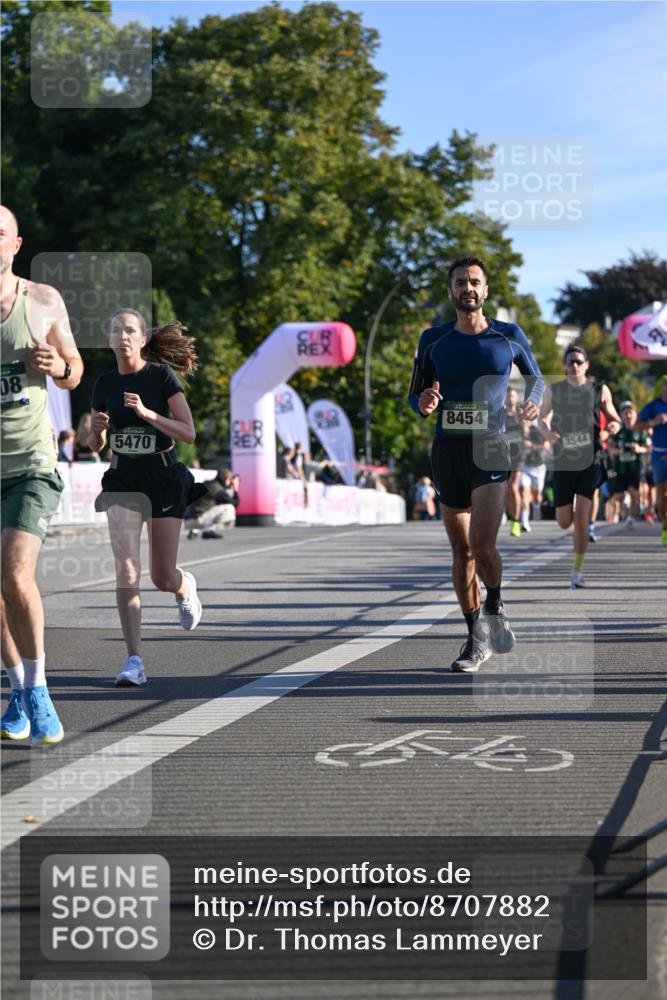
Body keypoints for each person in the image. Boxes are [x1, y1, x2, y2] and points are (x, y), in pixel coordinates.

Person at [409, 255, 543, 673]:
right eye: (460, 283)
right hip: (448, 451)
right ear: (451, 292)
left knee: (483, 546)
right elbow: (416, 393)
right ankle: (474, 638)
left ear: (485, 290)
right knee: (462, 553)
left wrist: (533, 403)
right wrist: (424, 403)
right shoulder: (433, 339)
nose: (468, 288)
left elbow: (535, 378)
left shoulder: (508, 335)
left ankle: (496, 605)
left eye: (474, 282)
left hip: (491, 448)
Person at [1, 204, 82, 744]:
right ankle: (14, 687)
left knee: (13, 573)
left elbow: (75, 370)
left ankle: (38, 686)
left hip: (32, 462)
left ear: (15, 243)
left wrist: (58, 367)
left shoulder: (43, 300)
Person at [90, 308, 202, 686]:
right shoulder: (103, 383)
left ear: (141, 339)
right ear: (109, 340)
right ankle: (134, 660)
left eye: (130, 331)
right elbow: (95, 445)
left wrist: (148, 413)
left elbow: (188, 433)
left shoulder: (159, 376)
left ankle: (184, 586)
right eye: (116, 330)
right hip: (122, 479)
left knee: (161, 576)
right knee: (126, 569)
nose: (122, 336)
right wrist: (98, 432)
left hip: (163, 476)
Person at [540, 345, 620, 589]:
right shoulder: (553, 391)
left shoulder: (600, 390)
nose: (574, 365)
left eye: (578, 361)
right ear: (564, 366)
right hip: (564, 460)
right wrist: (548, 433)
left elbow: (615, 418)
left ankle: (577, 571)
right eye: (570, 362)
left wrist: (612, 428)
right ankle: (575, 532)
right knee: (565, 521)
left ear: (586, 365)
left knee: (582, 518)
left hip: (592, 458)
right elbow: (542, 419)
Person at [607, 401, 649, 527]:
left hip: (634, 467)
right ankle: (625, 508)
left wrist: (639, 449)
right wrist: (615, 451)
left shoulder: (640, 429)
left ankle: (631, 517)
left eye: (630, 411)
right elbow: (609, 447)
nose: (628, 414)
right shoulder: (617, 430)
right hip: (619, 467)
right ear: (621, 415)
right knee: (619, 496)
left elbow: (648, 447)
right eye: (625, 412)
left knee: (634, 492)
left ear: (635, 414)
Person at [636, 374, 667, 545]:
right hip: (659, 454)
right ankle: (665, 527)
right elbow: (637, 425)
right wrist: (654, 422)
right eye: (665, 385)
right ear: (661, 388)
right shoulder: (654, 406)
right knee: (662, 495)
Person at [184, 467, 239, 539]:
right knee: (229, 507)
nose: (230, 481)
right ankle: (210, 530)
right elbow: (235, 503)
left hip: (187, 520)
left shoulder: (208, 483)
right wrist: (236, 489)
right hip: (197, 520)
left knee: (211, 505)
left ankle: (199, 531)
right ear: (225, 479)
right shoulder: (217, 489)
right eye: (229, 479)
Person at [504, 388, 528, 537]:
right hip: (503, 455)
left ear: (516, 398)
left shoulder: (520, 415)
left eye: (512, 396)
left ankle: (517, 521)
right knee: (506, 489)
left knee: (513, 486)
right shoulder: (500, 414)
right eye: (507, 396)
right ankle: (512, 518)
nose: (510, 399)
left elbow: (526, 433)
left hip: (518, 454)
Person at [519, 423, 550, 531]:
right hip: (524, 467)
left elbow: (547, 446)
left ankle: (536, 507)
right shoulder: (516, 429)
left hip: (538, 467)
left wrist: (531, 446)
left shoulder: (536, 431)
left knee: (536, 496)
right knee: (524, 492)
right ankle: (524, 521)